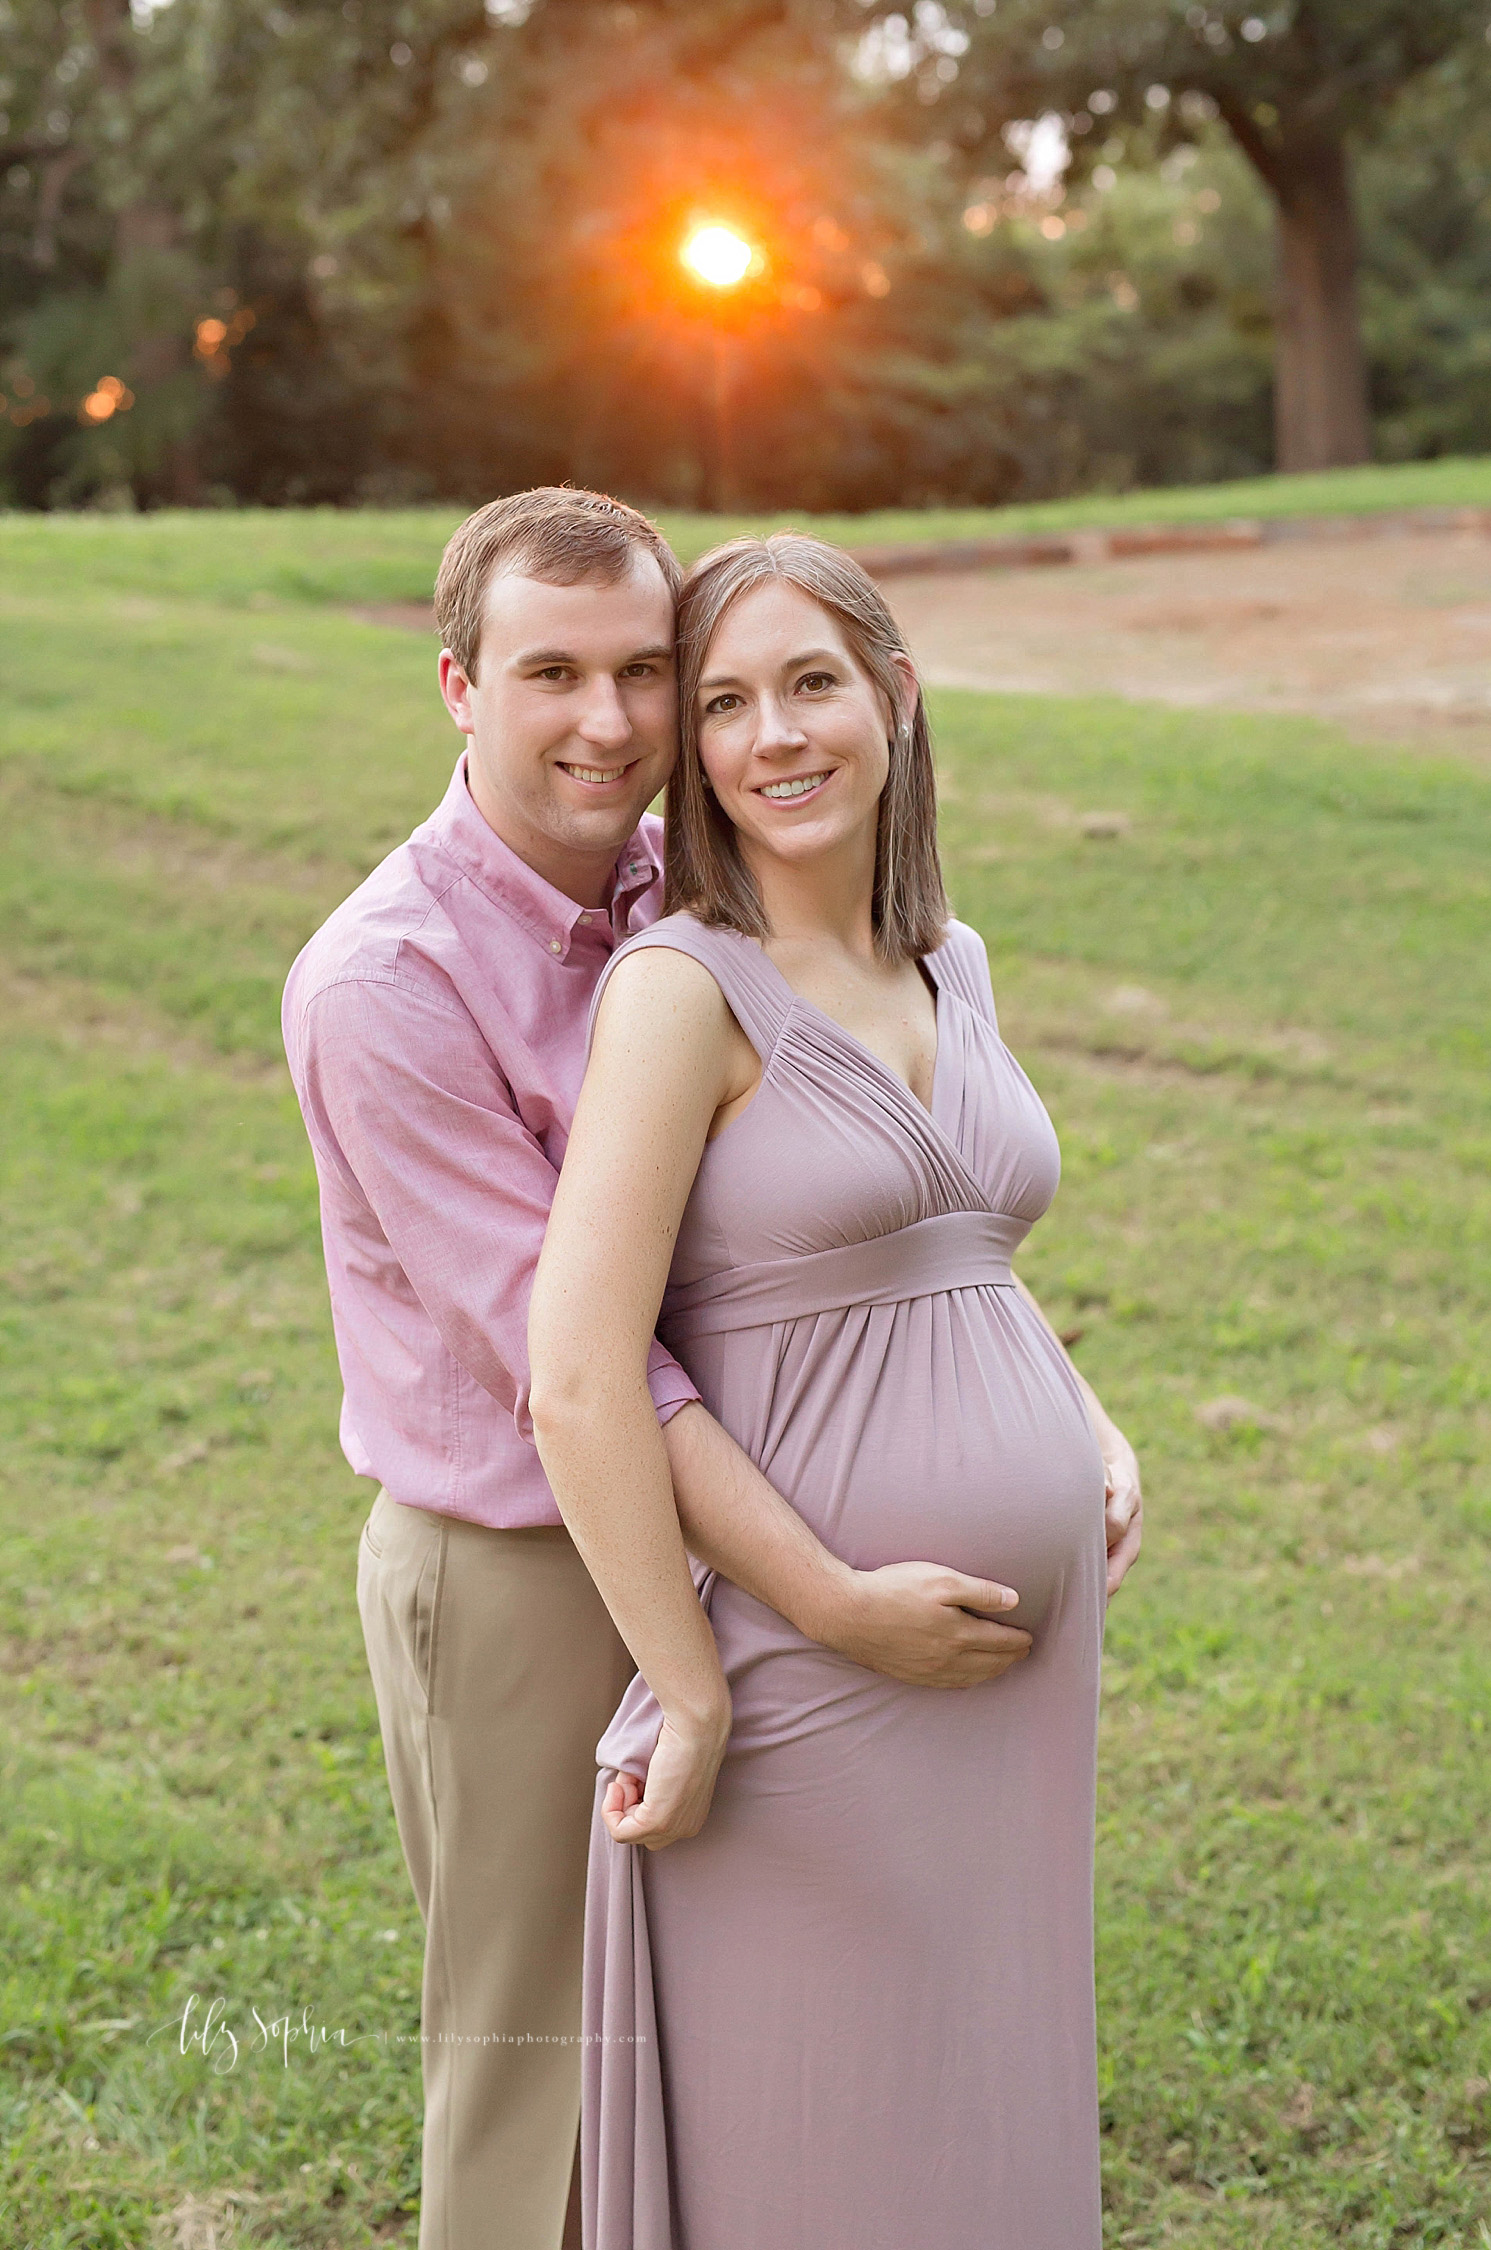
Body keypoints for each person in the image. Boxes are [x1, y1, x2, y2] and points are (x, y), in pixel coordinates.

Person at [281, 488, 1080, 2250]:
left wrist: (1065, 1414)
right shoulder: (386, 984)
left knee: (709, 2079)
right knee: (541, 2081)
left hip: (717, 1554)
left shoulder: (690, 887)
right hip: (519, 1569)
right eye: (549, 671)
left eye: (645, 669)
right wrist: (800, 1611)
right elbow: (588, 1372)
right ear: (457, 686)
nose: (612, 721)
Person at [529, 532, 1144, 2250]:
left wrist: (1083, 1421)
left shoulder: (955, 956)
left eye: (810, 682)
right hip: (806, 1667)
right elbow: (579, 1377)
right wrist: (706, 1679)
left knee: (981, 2082)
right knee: (826, 2141)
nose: (771, 735)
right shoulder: (682, 995)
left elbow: (964, 1255)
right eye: (722, 701)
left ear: (895, 691)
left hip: (1011, 1682)